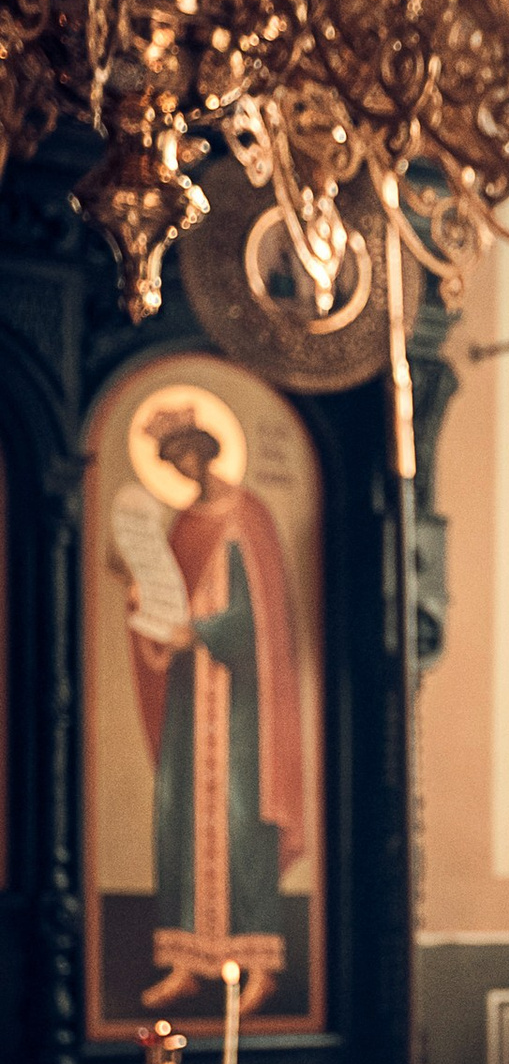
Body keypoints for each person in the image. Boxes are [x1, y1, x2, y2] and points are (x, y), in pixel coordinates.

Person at [122, 409, 305, 1017]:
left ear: (204, 451)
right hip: (188, 703)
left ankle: (256, 966)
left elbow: (264, 620)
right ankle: (184, 963)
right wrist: (143, 601)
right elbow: (166, 596)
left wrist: (197, 631)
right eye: (171, 464)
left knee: (242, 819)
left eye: (184, 458)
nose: (181, 470)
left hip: (242, 705)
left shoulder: (248, 516)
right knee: (179, 816)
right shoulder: (182, 524)